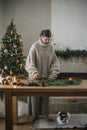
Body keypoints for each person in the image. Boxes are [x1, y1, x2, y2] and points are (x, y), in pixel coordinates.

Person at [25, 29, 60, 122]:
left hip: (46, 76)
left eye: (49, 39)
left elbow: (54, 61)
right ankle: (34, 115)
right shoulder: (34, 46)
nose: (47, 41)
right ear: (41, 36)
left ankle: (45, 115)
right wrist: (34, 72)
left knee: (45, 96)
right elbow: (29, 62)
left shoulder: (51, 47)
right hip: (35, 76)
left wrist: (54, 72)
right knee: (34, 97)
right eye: (46, 39)